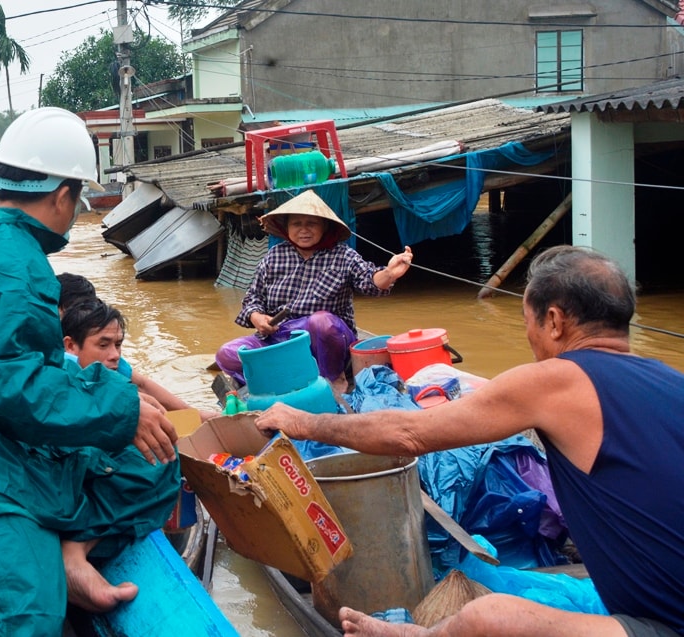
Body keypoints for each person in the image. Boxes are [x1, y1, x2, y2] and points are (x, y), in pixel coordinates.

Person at [254, 245, 684, 637]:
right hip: (654, 606)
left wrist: (307, 423)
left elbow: (408, 433)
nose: (530, 338)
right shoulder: (671, 380)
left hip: (661, 626)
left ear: (554, 321)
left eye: (527, 322)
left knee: (490, 619)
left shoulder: (558, 379)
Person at [0, 107, 180, 637]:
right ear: (64, 195)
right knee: (30, 621)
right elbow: (3, 381)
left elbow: (9, 369)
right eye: (79, 198)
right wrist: (117, 406)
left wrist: (115, 405)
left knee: (154, 467)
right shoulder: (11, 259)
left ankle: (72, 553)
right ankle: (57, 558)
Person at [215, 189, 413, 389]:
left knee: (321, 322)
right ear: (287, 227)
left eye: (311, 223)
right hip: (281, 336)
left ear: (324, 227)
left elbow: (369, 281)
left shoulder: (343, 255)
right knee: (227, 354)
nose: (303, 230)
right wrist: (257, 317)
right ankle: (286, 376)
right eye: (296, 224)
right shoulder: (274, 256)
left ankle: (334, 379)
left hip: (326, 339)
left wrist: (389, 273)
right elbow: (252, 299)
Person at [62, 297, 221, 422]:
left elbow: (143, 385)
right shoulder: (58, 379)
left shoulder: (109, 365)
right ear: (70, 346)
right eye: (103, 345)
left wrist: (197, 416)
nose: (115, 355)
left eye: (118, 344)